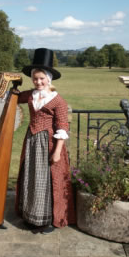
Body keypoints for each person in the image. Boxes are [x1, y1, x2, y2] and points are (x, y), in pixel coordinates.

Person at [15, 48, 76, 234]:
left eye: (42, 78)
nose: (38, 82)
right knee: (32, 176)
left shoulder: (58, 101)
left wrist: (57, 152)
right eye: (35, 79)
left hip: (48, 144)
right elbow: (14, 96)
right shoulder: (31, 95)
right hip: (32, 142)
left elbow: (62, 127)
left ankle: (47, 219)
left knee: (48, 180)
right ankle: (31, 215)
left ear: (49, 78)